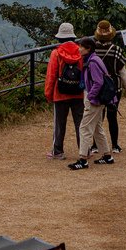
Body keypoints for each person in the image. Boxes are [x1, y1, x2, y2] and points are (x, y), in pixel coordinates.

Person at [68, 38, 116, 170]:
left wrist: (90, 96)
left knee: (84, 127)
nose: (79, 48)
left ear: (88, 48)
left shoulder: (92, 62)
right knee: (97, 128)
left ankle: (83, 159)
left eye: (82, 47)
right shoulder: (95, 59)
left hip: (94, 100)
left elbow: (98, 82)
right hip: (99, 100)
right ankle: (107, 155)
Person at [44, 22, 85, 160]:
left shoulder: (56, 53)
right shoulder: (81, 52)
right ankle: (85, 150)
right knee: (81, 123)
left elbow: (51, 75)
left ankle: (58, 151)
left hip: (60, 93)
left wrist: (48, 94)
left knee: (59, 124)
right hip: (78, 92)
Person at [91, 20, 126, 154]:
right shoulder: (116, 50)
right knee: (112, 115)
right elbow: (121, 70)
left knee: (97, 117)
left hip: (96, 86)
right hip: (113, 86)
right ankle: (115, 145)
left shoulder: (93, 50)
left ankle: (95, 145)